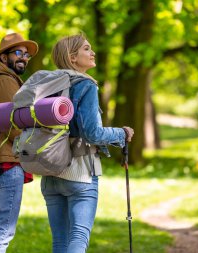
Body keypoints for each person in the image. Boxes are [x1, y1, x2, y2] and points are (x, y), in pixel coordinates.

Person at [40, 34, 134, 253]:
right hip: (80, 172)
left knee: (60, 242)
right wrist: (122, 133)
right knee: (78, 238)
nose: (92, 53)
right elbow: (92, 133)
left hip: (50, 171)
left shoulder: (48, 84)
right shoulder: (86, 86)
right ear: (73, 58)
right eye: (86, 49)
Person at [0, 33, 38, 253]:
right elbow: (13, 124)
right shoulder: (4, 80)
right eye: (18, 53)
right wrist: (34, 149)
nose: (24, 58)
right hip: (7, 162)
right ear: (4, 57)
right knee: (3, 232)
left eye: (27, 54)